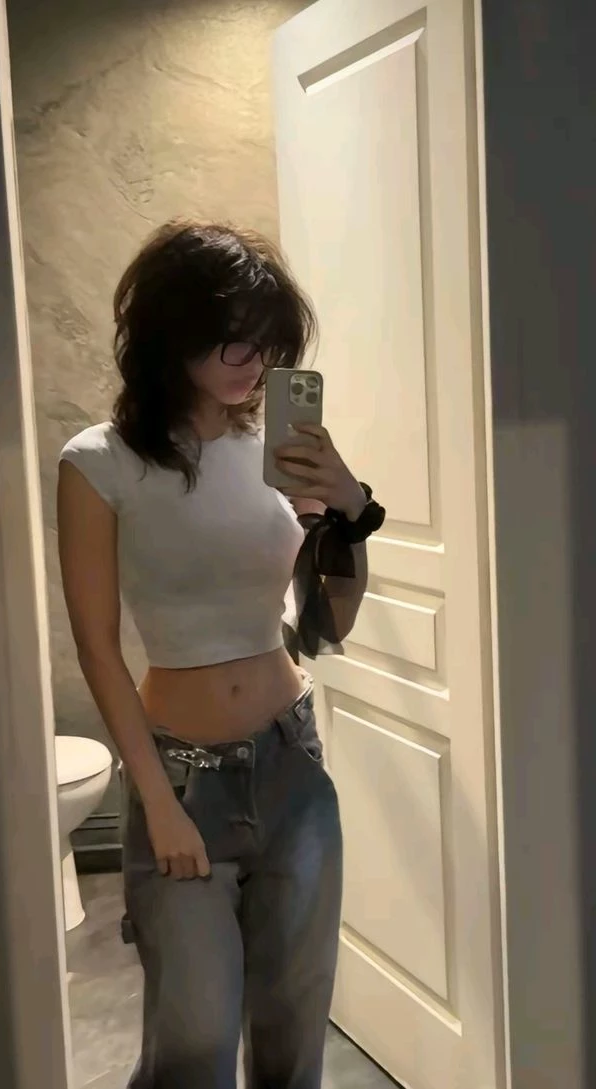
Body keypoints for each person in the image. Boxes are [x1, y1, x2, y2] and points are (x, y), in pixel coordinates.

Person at [56, 220, 384, 1089]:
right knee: (193, 1044)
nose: (253, 358)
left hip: (291, 763)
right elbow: (96, 646)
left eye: (265, 338)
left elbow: (329, 622)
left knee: (292, 1036)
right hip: (181, 777)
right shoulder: (100, 462)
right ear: (171, 332)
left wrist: (349, 513)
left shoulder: (276, 453)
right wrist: (156, 802)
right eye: (230, 336)